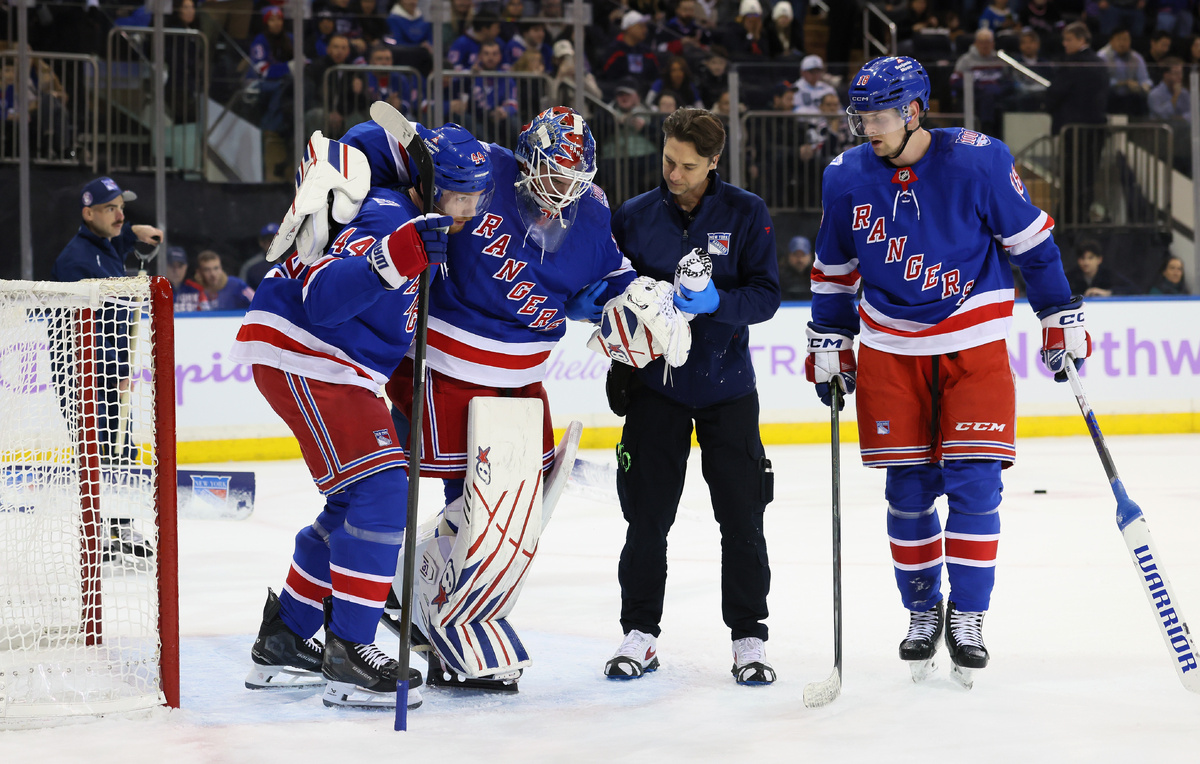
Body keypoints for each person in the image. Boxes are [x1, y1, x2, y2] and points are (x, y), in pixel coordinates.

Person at [327, 107, 638, 689]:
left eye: (573, 180)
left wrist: (639, 301)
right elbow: (390, 150)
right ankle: (383, 598)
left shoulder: (592, 213)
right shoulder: (480, 166)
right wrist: (353, 169)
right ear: (524, 160)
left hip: (522, 377)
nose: (560, 192)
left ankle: (420, 589)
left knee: (510, 506)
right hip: (442, 362)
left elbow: (612, 276)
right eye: (551, 175)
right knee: (398, 491)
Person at [806, 56, 1091, 685]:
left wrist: (1059, 316)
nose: (867, 130)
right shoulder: (845, 176)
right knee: (906, 494)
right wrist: (831, 335)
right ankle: (921, 611)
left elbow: (1032, 248)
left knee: (975, 485)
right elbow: (833, 270)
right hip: (890, 350)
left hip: (973, 343)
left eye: (877, 116)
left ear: (913, 111)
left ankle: (968, 614)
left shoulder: (979, 160)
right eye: (860, 118)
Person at [233, 125, 489, 709]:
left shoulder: (419, 223)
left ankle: (286, 638)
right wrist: (396, 255)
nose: (469, 211)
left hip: (332, 364)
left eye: (479, 197)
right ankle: (349, 650)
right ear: (428, 185)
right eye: (458, 196)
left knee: (352, 502)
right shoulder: (388, 213)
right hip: (308, 353)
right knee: (382, 491)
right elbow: (322, 299)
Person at [602, 107, 781, 686]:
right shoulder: (632, 216)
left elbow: (767, 296)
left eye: (686, 165)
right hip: (656, 392)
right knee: (646, 520)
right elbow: (610, 288)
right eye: (668, 160)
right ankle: (639, 635)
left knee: (742, 520)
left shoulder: (746, 212)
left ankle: (749, 638)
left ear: (713, 163)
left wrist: (716, 307)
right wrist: (615, 332)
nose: (673, 173)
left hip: (729, 392)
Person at [52, 176, 164, 558]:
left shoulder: (103, 245)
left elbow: (117, 238)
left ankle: (116, 528)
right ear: (88, 213)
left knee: (120, 450)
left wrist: (134, 232)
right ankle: (98, 530)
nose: (120, 215)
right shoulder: (76, 261)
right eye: (110, 209)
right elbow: (89, 328)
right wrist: (109, 373)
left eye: (121, 207)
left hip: (108, 372)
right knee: (100, 452)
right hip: (83, 375)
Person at [1045, 22, 1108, 225]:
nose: (1064, 44)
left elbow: (1056, 93)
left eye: (1068, 39)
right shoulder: (1100, 63)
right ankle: (1080, 219)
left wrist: (1047, 104)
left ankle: (1067, 221)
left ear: (1082, 39)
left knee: (1071, 178)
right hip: (1096, 130)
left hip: (1073, 131)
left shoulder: (1073, 63)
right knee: (1088, 177)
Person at [175, 250, 255, 311]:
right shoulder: (192, 289)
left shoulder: (236, 285)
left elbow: (257, 301)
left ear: (221, 268)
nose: (213, 274)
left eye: (216, 268)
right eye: (207, 270)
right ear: (199, 272)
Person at [1099, 27, 1152, 116]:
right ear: (1111, 41)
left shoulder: (1136, 58)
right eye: (1119, 39)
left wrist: (1144, 85)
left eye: (1126, 39)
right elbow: (1101, 82)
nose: (1123, 43)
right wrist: (1124, 83)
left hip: (1130, 98)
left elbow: (1145, 79)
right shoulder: (1102, 57)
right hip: (1109, 97)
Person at [239, 223, 280, 289]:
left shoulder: (292, 261)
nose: (273, 243)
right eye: (269, 240)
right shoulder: (250, 266)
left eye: (276, 240)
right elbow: (242, 290)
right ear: (261, 242)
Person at [779, 234, 814, 300]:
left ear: (810, 256)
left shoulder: (817, 277)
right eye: (796, 255)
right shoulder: (778, 277)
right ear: (789, 256)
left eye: (803, 255)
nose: (800, 260)